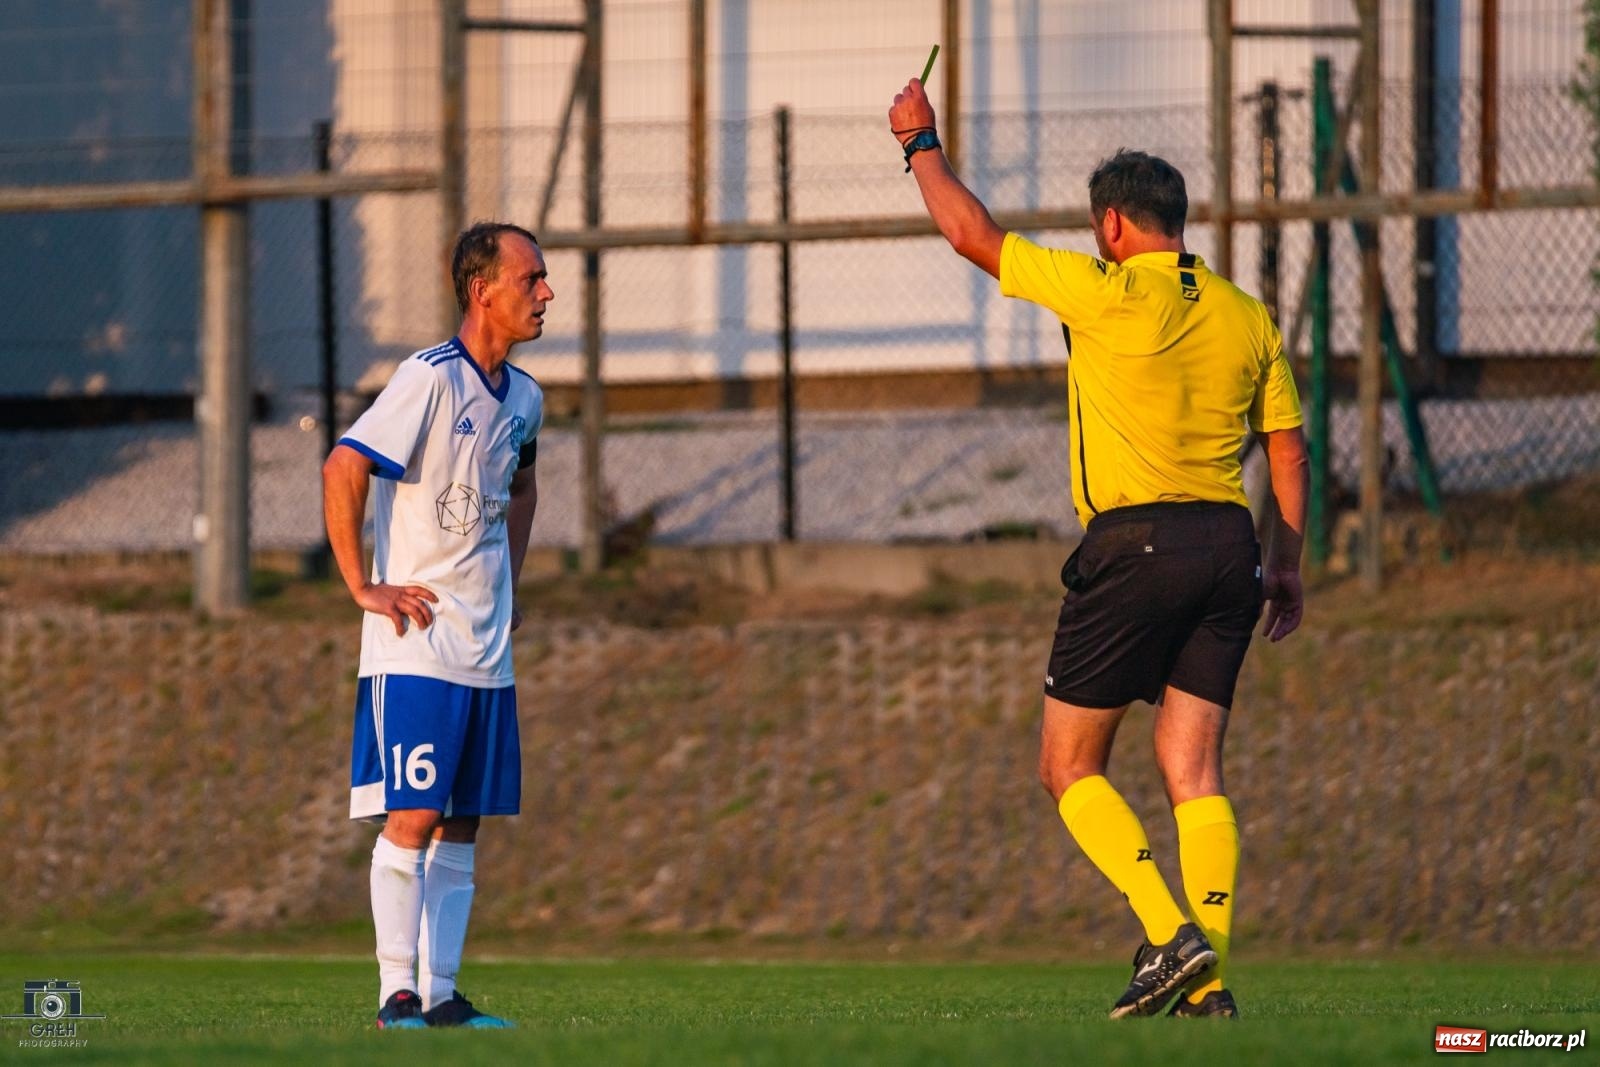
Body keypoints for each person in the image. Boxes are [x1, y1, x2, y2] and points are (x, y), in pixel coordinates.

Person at [889, 79, 1308, 1019]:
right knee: (1194, 767)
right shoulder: (1247, 313)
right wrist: (1286, 561)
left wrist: (919, 142)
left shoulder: (1106, 291)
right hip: (1230, 544)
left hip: (1136, 544)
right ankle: (1210, 986)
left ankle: (1170, 934)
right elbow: (1288, 446)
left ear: (1113, 225)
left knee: (1068, 765)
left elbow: (971, 234)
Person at [322, 221, 553, 1030]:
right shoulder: (427, 379)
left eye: (544, 279)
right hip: (417, 645)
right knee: (412, 815)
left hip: (487, 648)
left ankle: (444, 993)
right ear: (480, 288)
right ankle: (396, 995)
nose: (546, 293)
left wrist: (510, 582)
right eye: (531, 279)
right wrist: (363, 584)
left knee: (464, 819)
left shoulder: (525, 397)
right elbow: (344, 465)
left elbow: (521, 490)